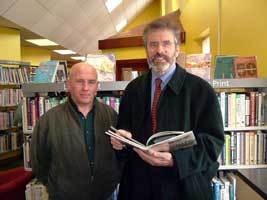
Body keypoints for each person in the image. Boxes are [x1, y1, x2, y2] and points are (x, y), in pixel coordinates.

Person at [110, 19, 225, 200]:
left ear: (177, 49)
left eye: (166, 44)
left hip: (183, 188)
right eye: (153, 44)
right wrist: (121, 141)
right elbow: (124, 130)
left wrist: (175, 160)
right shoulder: (133, 89)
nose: (159, 51)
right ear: (146, 49)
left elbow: (213, 142)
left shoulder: (201, 91)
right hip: (139, 187)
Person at [31, 62, 121, 200]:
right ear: (68, 85)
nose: (85, 88)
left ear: (97, 87)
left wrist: (112, 179)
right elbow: (39, 162)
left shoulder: (111, 116)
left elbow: (120, 155)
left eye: (91, 82)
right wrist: (58, 186)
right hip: (65, 196)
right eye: (79, 81)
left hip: (105, 194)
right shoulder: (48, 120)